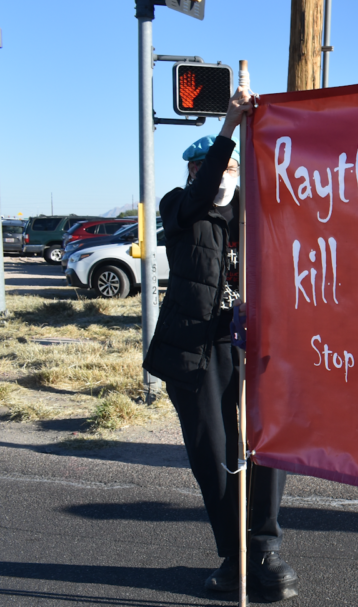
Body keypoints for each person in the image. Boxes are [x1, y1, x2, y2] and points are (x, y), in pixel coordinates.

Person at [142, 88, 299, 601]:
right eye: (212, 169)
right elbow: (201, 190)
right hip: (198, 348)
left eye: (232, 171)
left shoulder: (256, 211)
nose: (222, 178)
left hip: (256, 347)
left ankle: (265, 549)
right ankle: (234, 557)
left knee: (268, 443)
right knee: (215, 452)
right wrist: (229, 129)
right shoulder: (181, 207)